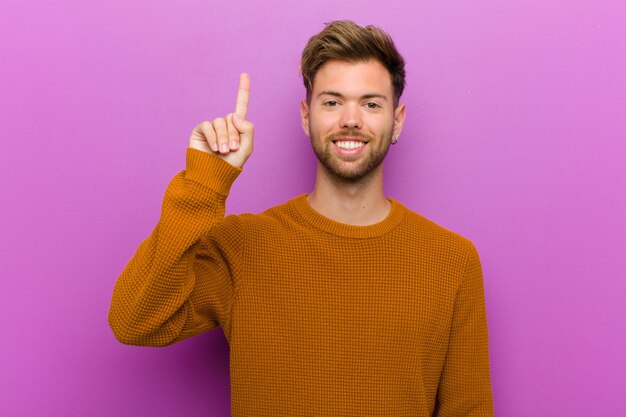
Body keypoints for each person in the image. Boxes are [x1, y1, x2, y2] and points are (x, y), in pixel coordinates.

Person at [109, 20, 494, 416]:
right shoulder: (243, 245)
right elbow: (135, 321)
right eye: (331, 102)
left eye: (371, 103)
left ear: (397, 120)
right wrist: (206, 182)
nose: (350, 120)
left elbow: (470, 409)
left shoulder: (452, 260)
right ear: (305, 116)